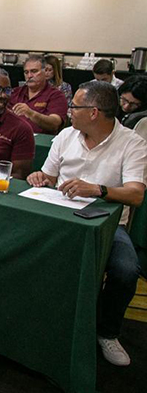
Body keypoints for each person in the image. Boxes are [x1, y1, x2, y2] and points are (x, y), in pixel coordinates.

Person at [27, 80, 147, 367]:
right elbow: (48, 176)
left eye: (75, 106)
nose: (69, 111)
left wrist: (97, 190)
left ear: (94, 112)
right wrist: (40, 178)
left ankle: (107, 332)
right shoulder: (66, 135)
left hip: (107, 224)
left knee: (126, 271)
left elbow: (136, 194)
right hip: (60, 213)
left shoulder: (132, 143)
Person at [10, 55, 68, 134]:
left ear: (45, 72)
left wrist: (31, 114)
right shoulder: (15, 92)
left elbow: (55, 124)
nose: (29, 76)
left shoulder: (56, 95)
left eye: (34, 71)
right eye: (26, 72)